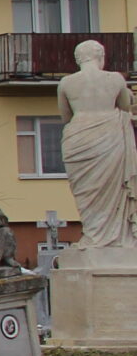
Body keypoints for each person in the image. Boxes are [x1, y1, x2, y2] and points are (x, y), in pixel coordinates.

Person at [59, 39, 137, 251]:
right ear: (101, 57)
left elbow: (66, 117)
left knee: (86, 193)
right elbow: (125, 107)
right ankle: (114, 237)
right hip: (110, 136)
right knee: (114, 189)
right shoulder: (115, 79)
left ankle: (93, 234)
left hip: (78, 139)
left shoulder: (66, 83)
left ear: (78, 59)